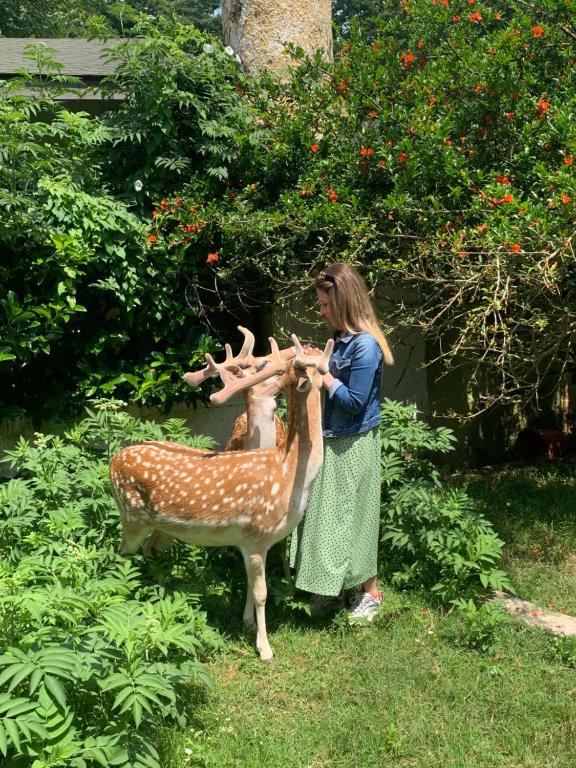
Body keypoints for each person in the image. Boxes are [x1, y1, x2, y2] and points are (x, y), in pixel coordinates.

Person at [289, 262, 394, 621]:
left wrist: (325, 373)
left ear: (343, 301)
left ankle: (370, 593)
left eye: (324, 304)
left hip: (354, 443)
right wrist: (319, 357)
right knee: (327, 518)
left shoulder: (366, 346)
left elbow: (353, 403)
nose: (321, 311)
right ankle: (333, 588)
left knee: (356, 517)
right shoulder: (345, 341)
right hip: (331, 441)